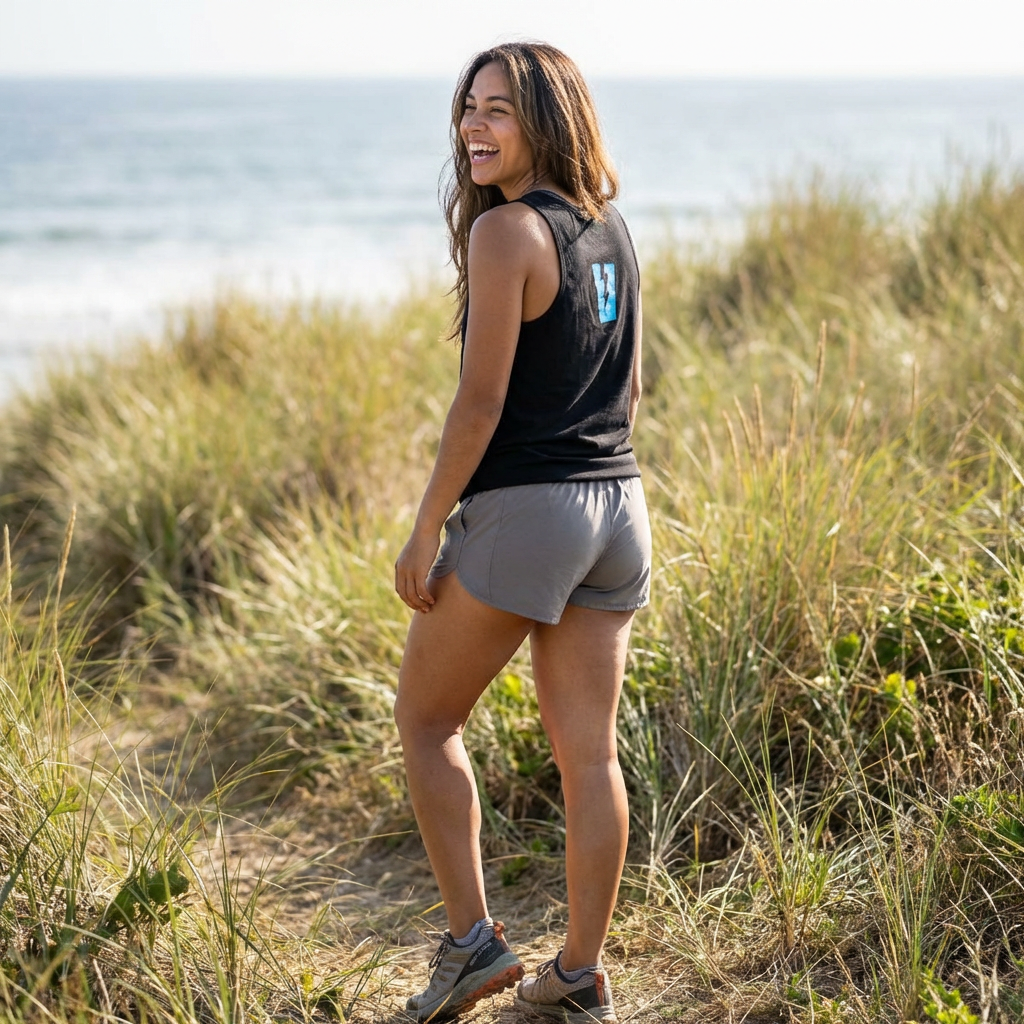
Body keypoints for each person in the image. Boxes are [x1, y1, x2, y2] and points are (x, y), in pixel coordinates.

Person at [393, 41, 650, 1024]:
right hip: (619, 510)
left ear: (546, 117)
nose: (472, 127)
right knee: (590, 756)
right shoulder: (612, 226)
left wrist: (428, 530)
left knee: (425, 720)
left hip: (531, 512)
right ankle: (578, 974)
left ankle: (471, 946)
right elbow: (627, 387)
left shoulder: (505, 234)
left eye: (497, 110)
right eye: (467, 108)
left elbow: (480, 402)